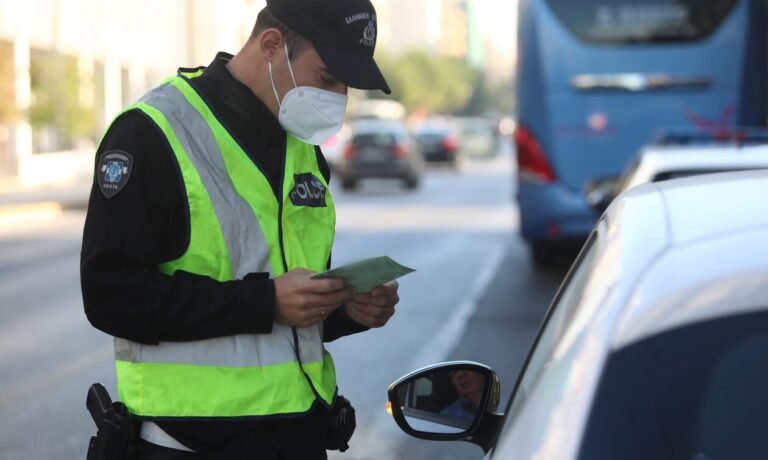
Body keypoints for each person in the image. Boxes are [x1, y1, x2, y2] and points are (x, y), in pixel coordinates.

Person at [80, 0, 398, 458]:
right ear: (271, 45)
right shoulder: (154, 131)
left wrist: (345, 310)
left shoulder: (303, 147)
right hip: (189, 443)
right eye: (329, 78)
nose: (340, 96)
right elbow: (111, 297)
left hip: (299, 437)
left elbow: (289, 312)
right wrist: (265, 301)